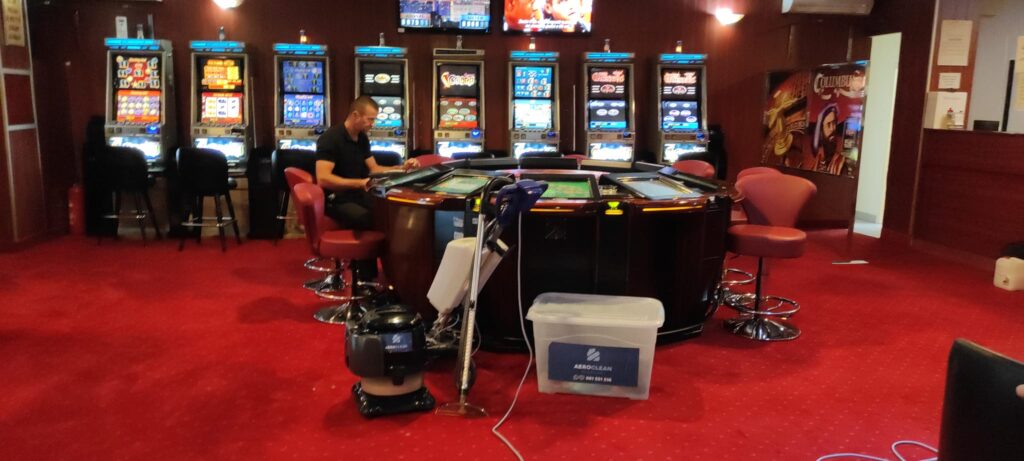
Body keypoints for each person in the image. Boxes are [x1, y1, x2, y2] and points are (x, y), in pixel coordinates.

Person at [315, 95, 419, 283]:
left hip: (357, 193)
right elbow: (323, 179)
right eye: (370, 119)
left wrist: (402, 168)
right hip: (335, 198)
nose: (373, 124)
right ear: (355, 115)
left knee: (388, 212)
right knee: (367, 218)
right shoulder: (330, 139)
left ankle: (393, 274)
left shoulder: (361, 138)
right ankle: (365, 279)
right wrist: (359, 183)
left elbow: (374, 169)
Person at [813, 104, 845, 175]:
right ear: (821, 130)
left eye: (834, 123)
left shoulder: (841, 163)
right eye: (828, 124)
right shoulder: (817, 160)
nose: (832, 128)